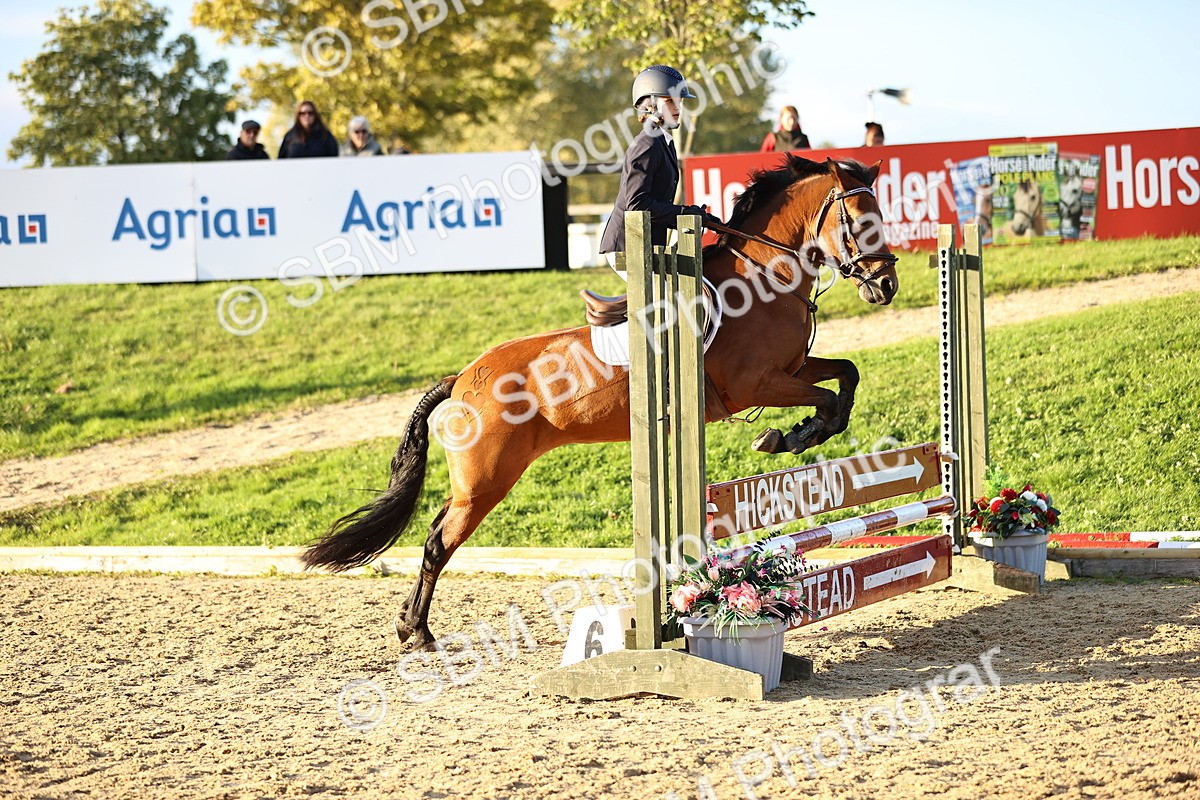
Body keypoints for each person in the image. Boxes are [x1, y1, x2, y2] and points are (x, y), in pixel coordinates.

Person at [598, 65, 720, 278]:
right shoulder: (647, 144)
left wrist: (698, 217)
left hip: (646, 243)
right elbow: (637, 204)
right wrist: (682, 213)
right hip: (626, 246)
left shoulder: (664, 142)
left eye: (679, 101)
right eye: (670, 101)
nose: (678, 107)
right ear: (649, 105)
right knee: (665, 303)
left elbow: (656, 206)